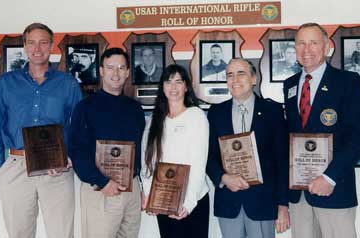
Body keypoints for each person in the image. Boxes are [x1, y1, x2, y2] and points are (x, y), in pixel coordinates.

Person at [0, 22, 82, 238]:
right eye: (31, 43)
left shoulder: (68, 84)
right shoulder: (5, 83)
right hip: (17, 168)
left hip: (57, 170)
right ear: (25, 46)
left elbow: (78, 128)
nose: (37, 49)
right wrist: (1, 168)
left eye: (43, 42)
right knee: (19, 234)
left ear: (51, 45)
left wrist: (70, 157)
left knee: (62, 234)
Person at [283, 23, 360, 238]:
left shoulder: (348, 81)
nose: (306, 49)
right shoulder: (290, 85)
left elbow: (359, 136)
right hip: (299, 194)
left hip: (334, 189)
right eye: (301, 43)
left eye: (313, 43)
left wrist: (329, 177)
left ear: (327, 46)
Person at [206, 58, 290, 238]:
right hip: (229, 201)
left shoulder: (272, 111)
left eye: (240, 74)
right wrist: (223, 178)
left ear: (254, 79)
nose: (234, 79)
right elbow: (208, 156)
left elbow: (282, 161)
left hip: (263, 202)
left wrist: (283, 205)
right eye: (229, 75)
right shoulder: (216, 113)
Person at [68, 47, 146, 238]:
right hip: (100, 190)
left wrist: (143, 187)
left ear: (128, 72)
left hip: (131, 189)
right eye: (111, 67)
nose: (116, 73)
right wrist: (102, 182)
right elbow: (77, 150)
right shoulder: (85, 107)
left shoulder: (135, 109)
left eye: (121, 67)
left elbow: (142, 151)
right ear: (101, 71)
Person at [141, 64, 210, 238]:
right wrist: (149, 194)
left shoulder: (196, 116)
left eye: (179, 82)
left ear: (186, 87)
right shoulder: (153, 120)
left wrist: (187, 203)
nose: (173, 87)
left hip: (192, 201)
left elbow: (199, 162)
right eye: (169, 81)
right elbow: (147, 161)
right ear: (162, 87)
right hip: (164, 199)